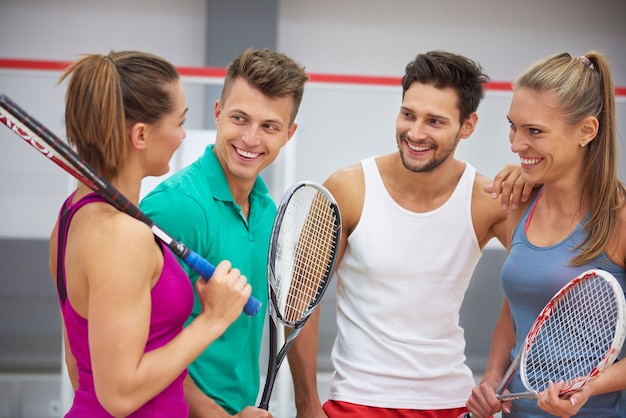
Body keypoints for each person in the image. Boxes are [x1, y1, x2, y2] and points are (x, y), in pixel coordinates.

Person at [288, 50, 533, 418]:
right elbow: (300, 300)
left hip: (451, 402)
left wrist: (535, 177)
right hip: (356, 401)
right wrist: (307, 404)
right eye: (408, 115)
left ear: (467, 126)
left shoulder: (488, 200)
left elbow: (538, 281)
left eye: (434, 121)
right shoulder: (347, 188)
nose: (415, 133)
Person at [50, 51, 252, 417]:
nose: (183, 134)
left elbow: (79, 364)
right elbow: (120, 396)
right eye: (180, 121)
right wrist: (213, 319)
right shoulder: (122, 237)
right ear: (141, 134)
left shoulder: (71, 213)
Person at [140, 48, 309, 417]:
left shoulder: (269, 214)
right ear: (218, 113)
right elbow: (141, 345)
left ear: (289, 133)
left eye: (269, 126)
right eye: (239, 118)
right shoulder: (175, 207)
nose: (251, 139)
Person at [465, 51, 626, 417]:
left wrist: (588, 388)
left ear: (586, 131)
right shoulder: (521, 202)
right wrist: (492, 378)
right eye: (513, 126)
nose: (516, 144)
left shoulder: (619, 218)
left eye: (534, 131)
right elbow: (515, 309)